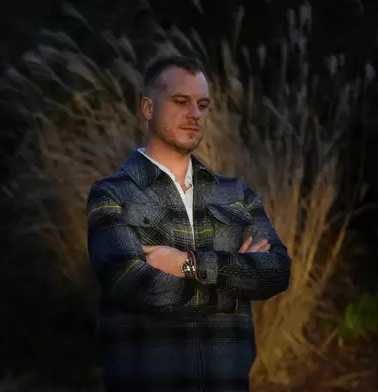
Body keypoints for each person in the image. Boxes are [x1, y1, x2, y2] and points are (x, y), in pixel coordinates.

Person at [86, 55, 291, 392]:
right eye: (181, 102)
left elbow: (276, 270)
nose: (195, 114)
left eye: (202, 104)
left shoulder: (235, 194)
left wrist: (189, 264)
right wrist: (231, 293)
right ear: (148, 108)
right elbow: (132, 284)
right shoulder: (112, 193)